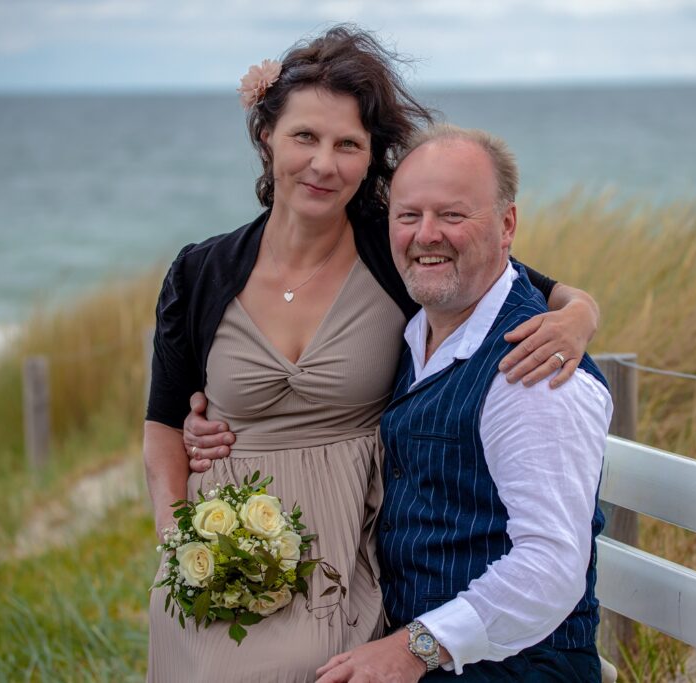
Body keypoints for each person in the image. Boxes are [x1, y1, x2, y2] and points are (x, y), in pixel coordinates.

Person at [144, 26, 600, 682]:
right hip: (223, 541)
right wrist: (178, 535)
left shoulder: (398, 248)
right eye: (305, 136)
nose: (324, 163)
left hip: (346, 556)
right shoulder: (200, 273)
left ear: (367, 157)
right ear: (267, 134)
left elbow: (520, 283)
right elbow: (163, 423)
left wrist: (581, 318)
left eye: (348, 144)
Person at [314, 126, 612, 682]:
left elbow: (549, 570)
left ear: (507, 226)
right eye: (408, 217)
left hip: (519, 666)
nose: (427, 235)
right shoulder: (421, 330)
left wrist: (409, 651)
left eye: (452, 215)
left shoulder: (531, 367)